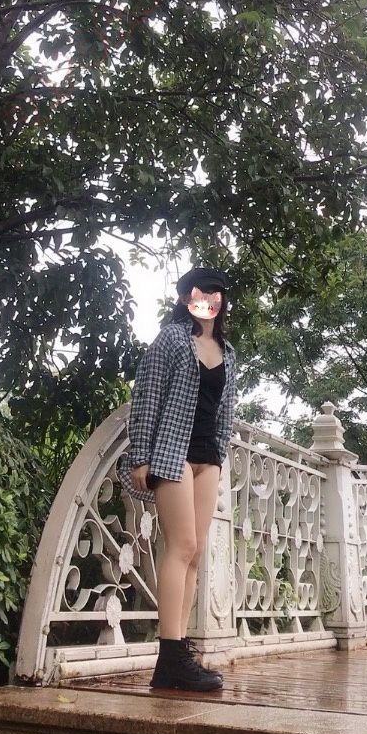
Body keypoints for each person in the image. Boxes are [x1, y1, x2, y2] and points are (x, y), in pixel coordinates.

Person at [119, 266, 237, 691]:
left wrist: (219, 455)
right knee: (181, 546)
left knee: (195, 553)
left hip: (208, 458)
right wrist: (140, 456)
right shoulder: (171, 339)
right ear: (188, 297)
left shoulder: (227, 351)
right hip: (172, 452)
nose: (210, 299)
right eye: (202, 292)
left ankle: (179, 655)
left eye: (216, 293)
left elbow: (226, 410)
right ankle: (169, 655)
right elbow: (147, 397)